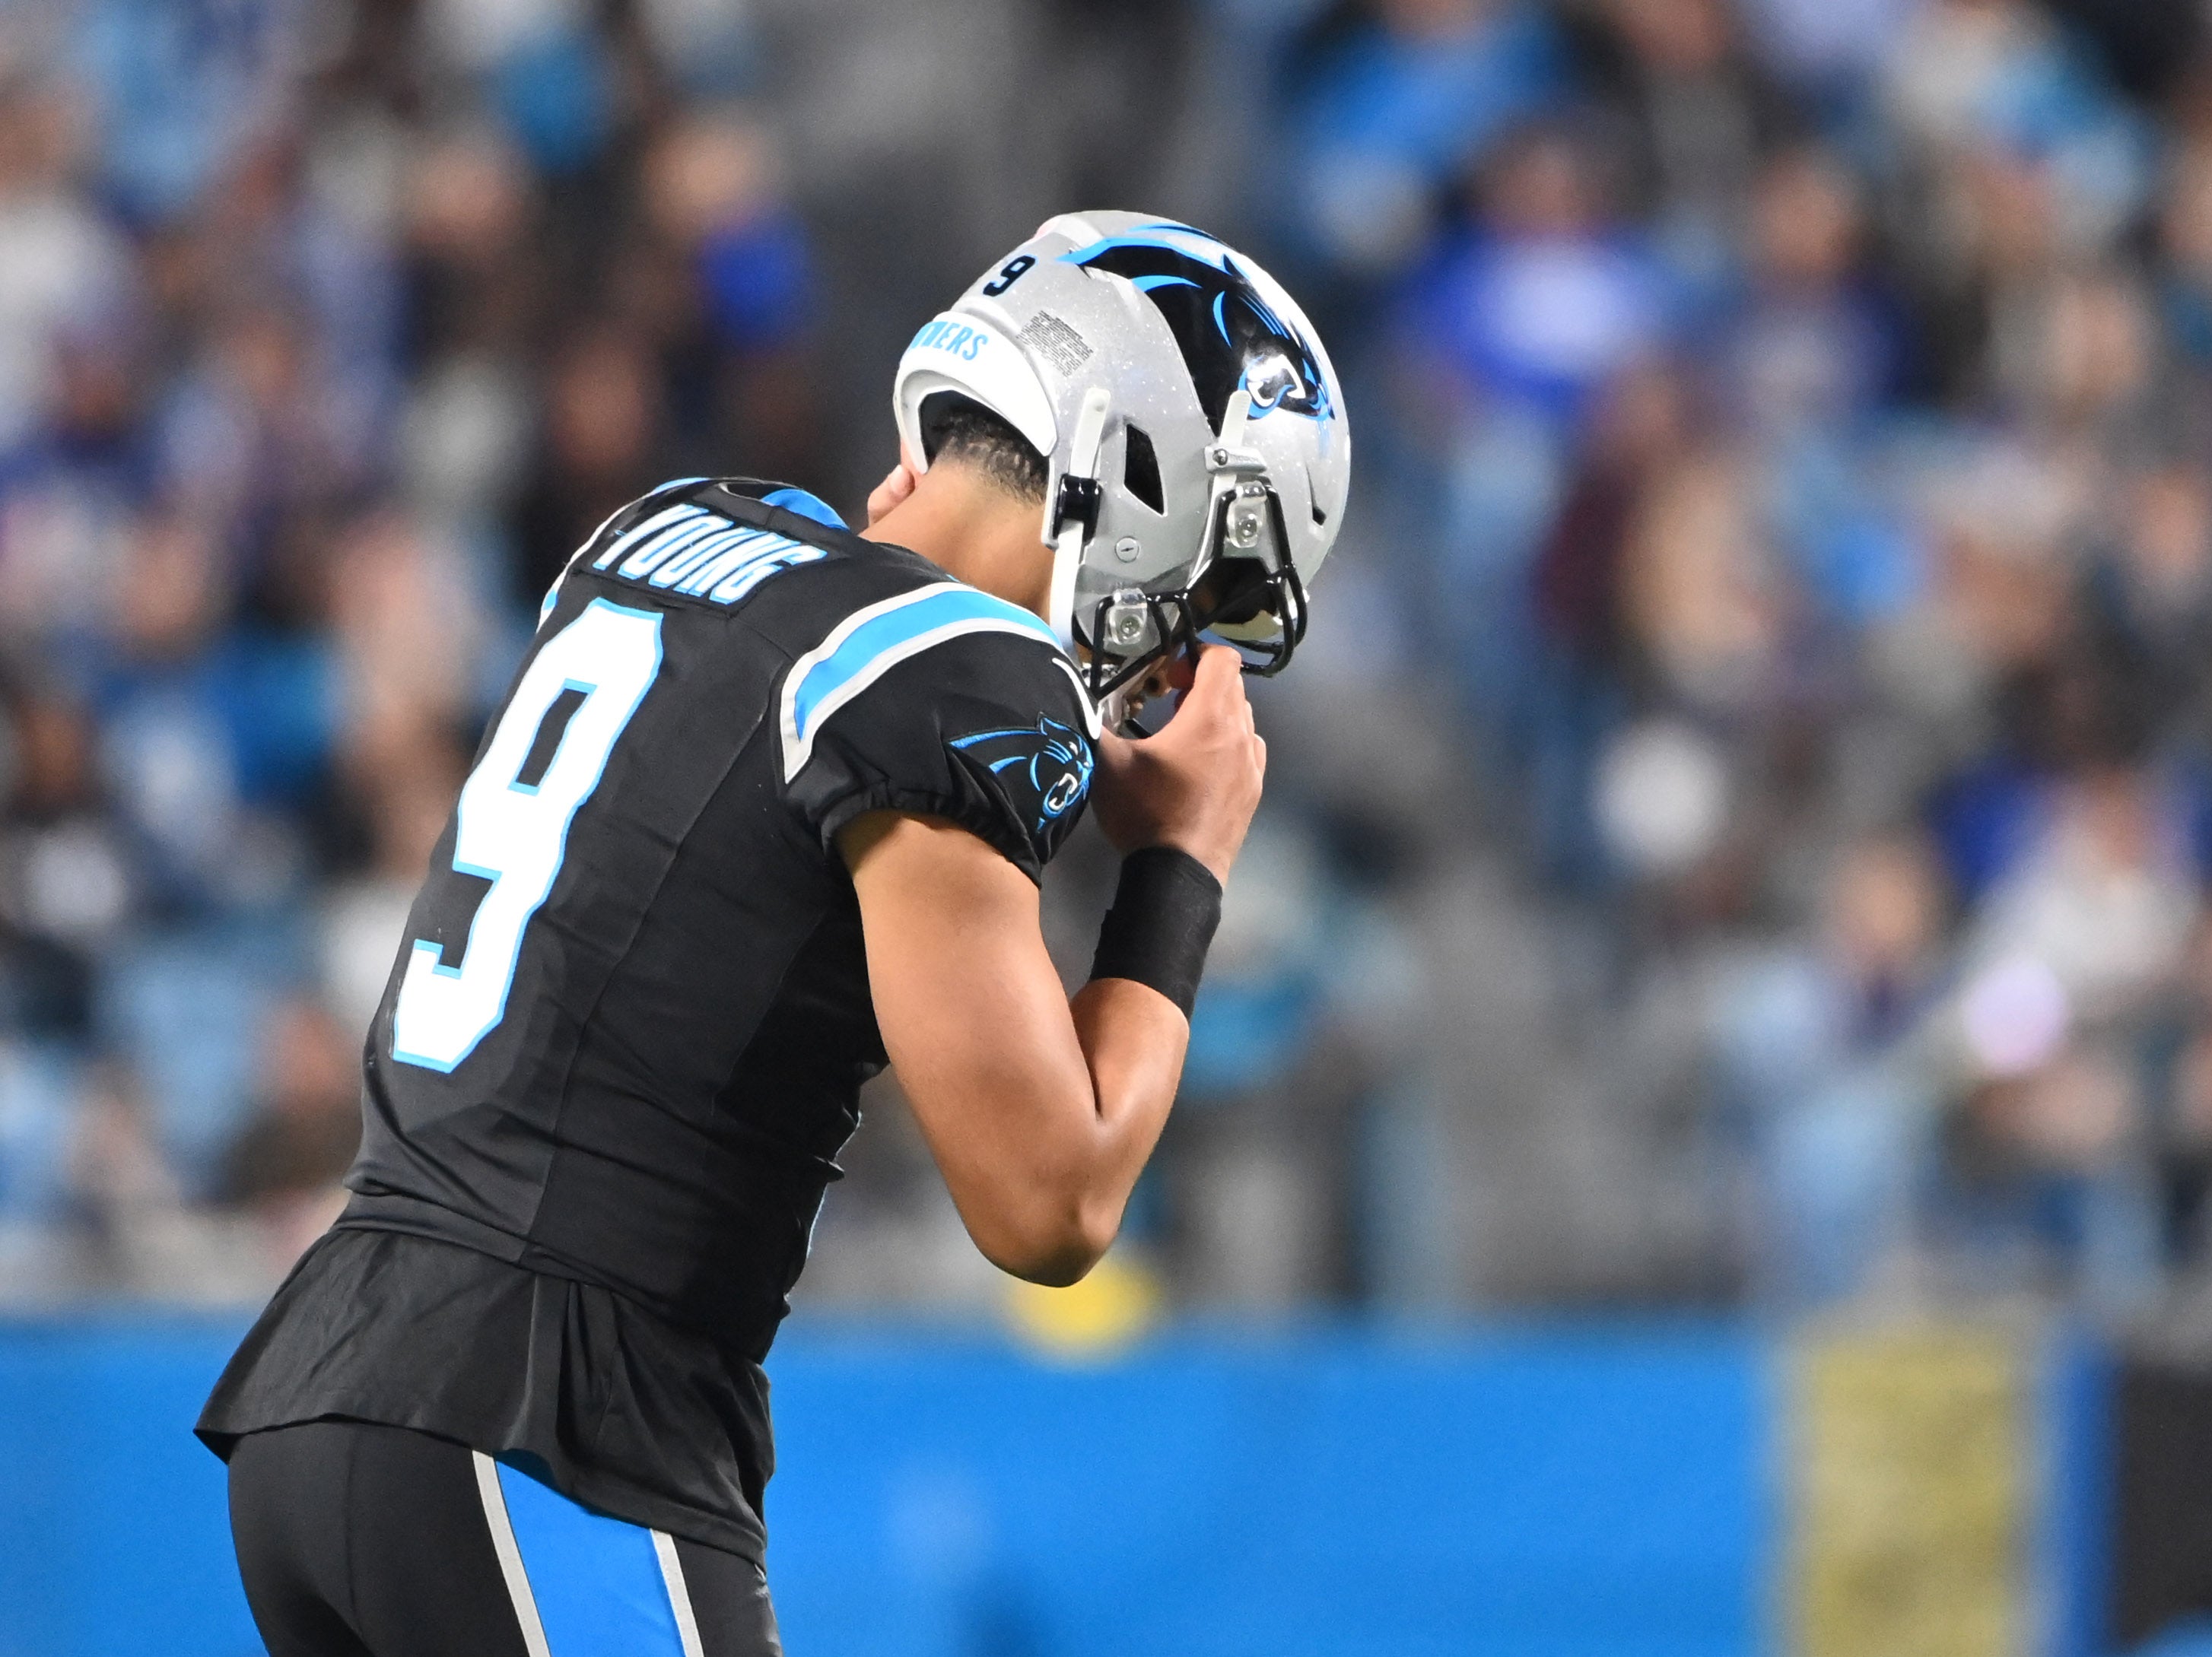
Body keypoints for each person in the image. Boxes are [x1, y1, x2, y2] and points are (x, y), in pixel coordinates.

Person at [194, 212, 1350, 1657]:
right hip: (550, 1423)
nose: (1185, 654)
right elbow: (1051, 1202)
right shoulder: (957, 671)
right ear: (1139, 477)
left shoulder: (670, 530)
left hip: (340, 1380)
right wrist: (1178, 870)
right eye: (1216, 586)